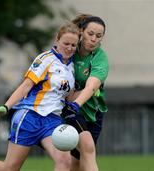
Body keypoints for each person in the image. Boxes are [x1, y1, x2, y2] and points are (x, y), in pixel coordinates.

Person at [0, 23, 80, 171]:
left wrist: (91, 90)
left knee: (64, 161)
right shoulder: (45, 59)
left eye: (73, 45)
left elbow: (69, 98)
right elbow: (25, 86)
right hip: (29, 117)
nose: (69, 48)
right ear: (57, 40)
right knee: (10, 168)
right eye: (66, 43)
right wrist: (6, 106)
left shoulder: (72, 67)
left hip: (52, 121)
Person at [61, 14, 109, 171]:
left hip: (93, 113)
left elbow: (91, 86)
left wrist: (75, 103)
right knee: (87, 150)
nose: (94, 39)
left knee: (77, 161)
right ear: (81, 32)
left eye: (99, 36)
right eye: (90, 34)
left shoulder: (100, 58)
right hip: (70, 111)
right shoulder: (70, 50)